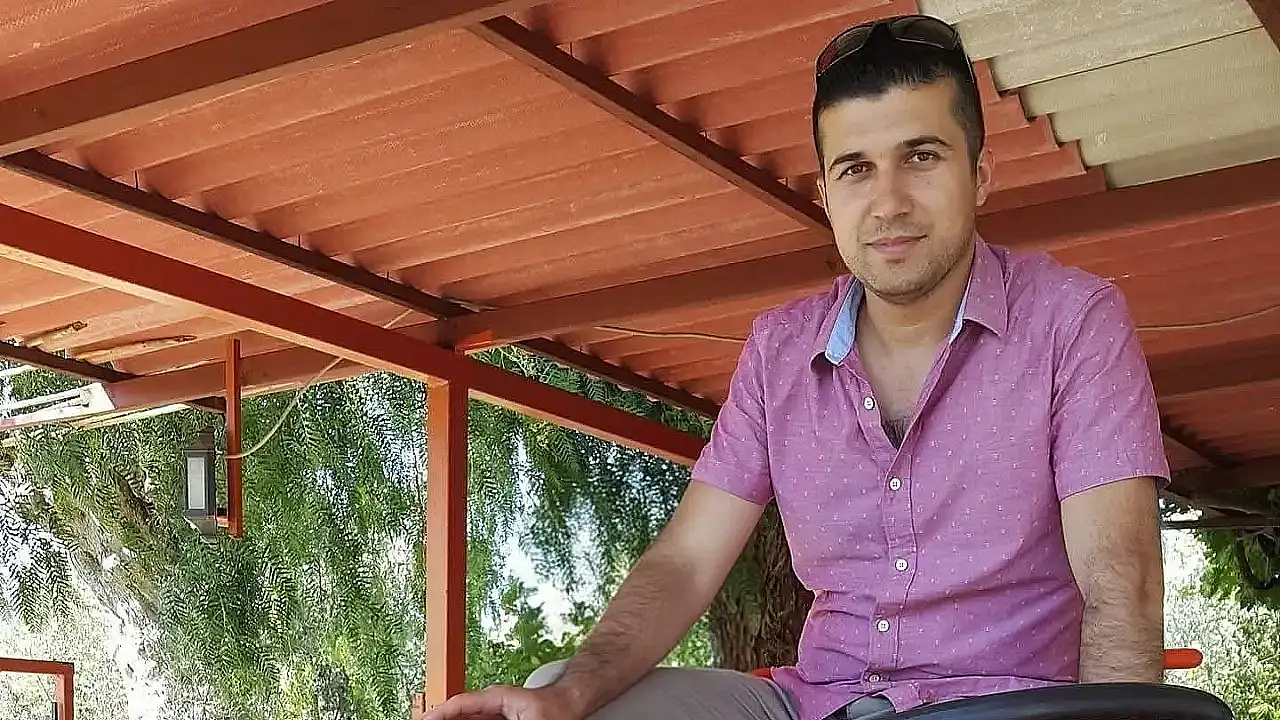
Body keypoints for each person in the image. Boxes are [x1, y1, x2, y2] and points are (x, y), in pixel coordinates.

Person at [424, 13, 1168, 720]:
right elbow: (687, 561)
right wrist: (574, 690)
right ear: (826, 196)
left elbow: (1120, 579)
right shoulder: (779, 350)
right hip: (817, 701)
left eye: (921, 157)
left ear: (979, 175)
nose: (888, 202)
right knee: (563, 697)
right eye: (856, 169)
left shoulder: (1072, 321)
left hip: (1003, 705)